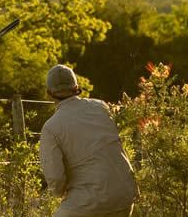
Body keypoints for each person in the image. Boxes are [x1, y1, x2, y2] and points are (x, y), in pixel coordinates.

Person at [39, 65, 138, 217]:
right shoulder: (101, 106)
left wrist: (63, 193)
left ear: (49, 94)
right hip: (125, 195)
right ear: (76, 87)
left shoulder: (50, 128)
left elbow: (56, 180)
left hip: (89, 203)